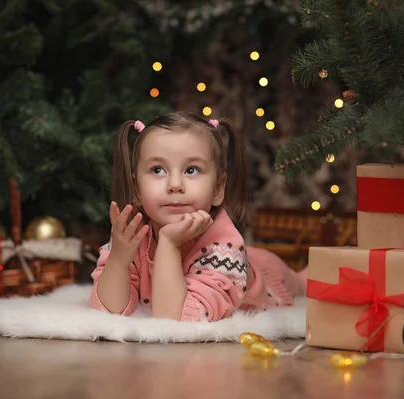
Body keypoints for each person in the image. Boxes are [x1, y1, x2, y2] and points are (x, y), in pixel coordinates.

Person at [89, 111, 305, 322]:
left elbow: (175, 320)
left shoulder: (224, 248)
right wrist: (118, 260)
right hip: (249, 257)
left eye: (191, 170)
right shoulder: (132, 231)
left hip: (269, 276)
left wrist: (169, 244)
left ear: (218, 189)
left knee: (307, 282)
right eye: (157, 170)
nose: (175, 185)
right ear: (136, 188)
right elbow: (108, 310)